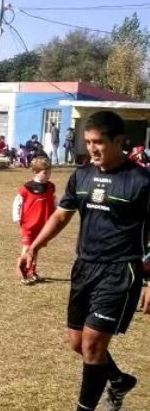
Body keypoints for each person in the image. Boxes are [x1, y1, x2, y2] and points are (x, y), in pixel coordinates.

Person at [18, 111, 150, 411]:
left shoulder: (142, 180)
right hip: (84, 267)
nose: (92, 148)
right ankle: (118, 381)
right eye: (88, 141)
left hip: (121, 270)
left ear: (119, 141)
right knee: (79, 343)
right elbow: (62, 214)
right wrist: (34, 248)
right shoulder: (82, 175)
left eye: (99, 142)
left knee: (92, 343)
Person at [12, 156, 55, 285]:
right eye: (45, 172)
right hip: (29, 224)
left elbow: (54, 200)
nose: (48, 175)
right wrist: (16, 216)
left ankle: (32, 270)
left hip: (43, 224)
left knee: (35, 248)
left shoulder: (50, 187)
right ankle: (23, 271)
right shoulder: (27, 188)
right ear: (36, 172)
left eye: (49, 172)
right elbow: (17, 202)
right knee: (27, 248)